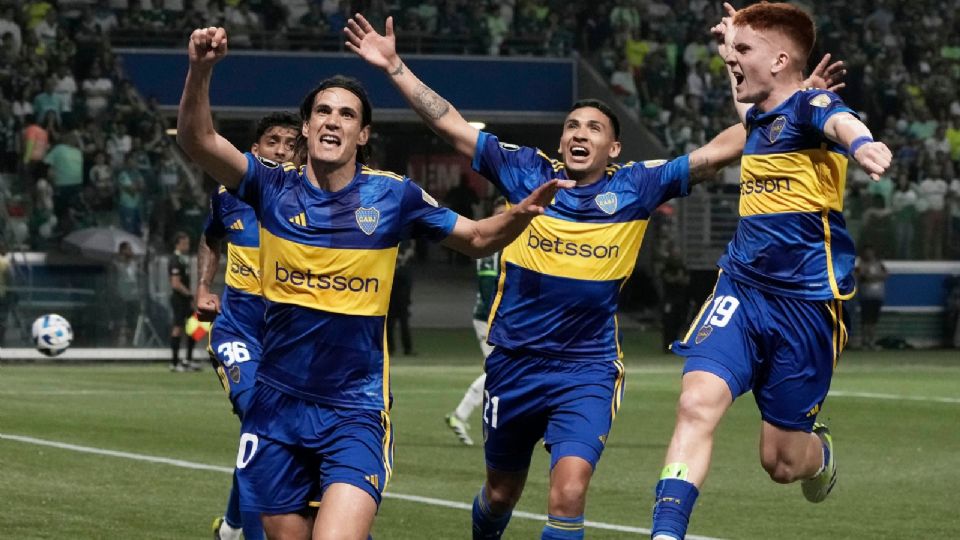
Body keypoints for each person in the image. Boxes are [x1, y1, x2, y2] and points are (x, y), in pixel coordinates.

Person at [345, 15, 757, 539]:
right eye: (572, 126)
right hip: (514, 361)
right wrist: (395, 67)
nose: (578, 133)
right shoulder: (525, 172)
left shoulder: (638, 186)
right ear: (562, 140)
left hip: (586, 368)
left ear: (614, 150)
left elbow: (724, 149)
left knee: (568, 490)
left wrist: (741, 68)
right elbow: (447, 123)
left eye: (593, 128)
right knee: (500, 493)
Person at [176, 26, 569, 540]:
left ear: (362, 135)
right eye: (323, 111)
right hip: (275, 406)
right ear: (307, 127)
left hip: (355, 409)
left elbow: (474, 238)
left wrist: (520, 215)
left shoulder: (393, 197)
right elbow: (197, 141)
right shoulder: (269, 185)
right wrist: (200, 69)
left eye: (347, 114)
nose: (333, 120)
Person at [648, 5, 892, 540]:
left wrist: (862, 142)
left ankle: (819, 453)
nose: (732, 62)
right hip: (741, 288)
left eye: (744, 53)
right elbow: (746, 97)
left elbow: (838, 118)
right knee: (695, 402)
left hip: (805, 305)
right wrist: (731, 43)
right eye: (733, 54)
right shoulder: (759, 116)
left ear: (781, 60)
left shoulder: (811, 104)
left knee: (781, 463)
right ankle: (666, 533)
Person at [196, 111, 300, 540]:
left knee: (270, 436)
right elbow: (210, 238)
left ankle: (232, 526)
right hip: (237, 332)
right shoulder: (227, 196)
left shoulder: (310, 200)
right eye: (272, 141)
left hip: (287, 343)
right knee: (260, 417)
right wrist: (202, 287)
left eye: (291, 143)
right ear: (254, 150)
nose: (280, 149)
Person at [445, 197, 507, 446]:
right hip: (488, 317)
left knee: (501, 370)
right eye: (500, 212)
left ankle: (463, 416)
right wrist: (499, 314)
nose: (505, 215)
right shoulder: (492, 243)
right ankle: (461, 415)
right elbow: (487, 284)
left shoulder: (504, 241)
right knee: (499, 370)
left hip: (497, 317)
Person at [169, 231, 196, 372]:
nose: (187, 246)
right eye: (185, 243)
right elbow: (175, 283)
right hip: (179, 298)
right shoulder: (175, 259)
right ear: (178, 244)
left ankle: (188, 360)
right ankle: (174, 362)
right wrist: (189, 294)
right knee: (178, 327)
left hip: (186, 299)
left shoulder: (183, 260)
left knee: (194, 326)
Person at [854, 245, 887, 350]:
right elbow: (860, 276)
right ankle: (864, 342)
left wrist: (872, 277)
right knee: (865, 320)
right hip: (866, 296)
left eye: (871, 252)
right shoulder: (861, 264)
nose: (869, 254)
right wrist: (873, 277)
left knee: (873, 321)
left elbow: (885, 275)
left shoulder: (879, 264)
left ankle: (872, 342)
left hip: (877, 296)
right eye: (867, 252)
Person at [386, 239, 415, 355]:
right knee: (390, 322)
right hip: (392, 292)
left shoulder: (406, 241)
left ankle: (406, 348)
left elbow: (411, 250)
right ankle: (390, 348)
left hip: (401, 293)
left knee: (402, 321)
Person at [110, 241, 141, 347]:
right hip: (121, 297)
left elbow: (138, 278)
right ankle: (115, 344)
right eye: (128, 249)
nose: (131, 251)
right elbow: (113, 281)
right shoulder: (116, 264)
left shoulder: (134, 264)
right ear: (122, 251)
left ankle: (130, 343)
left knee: (132, 321)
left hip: (133, 297)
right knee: (119, 322)